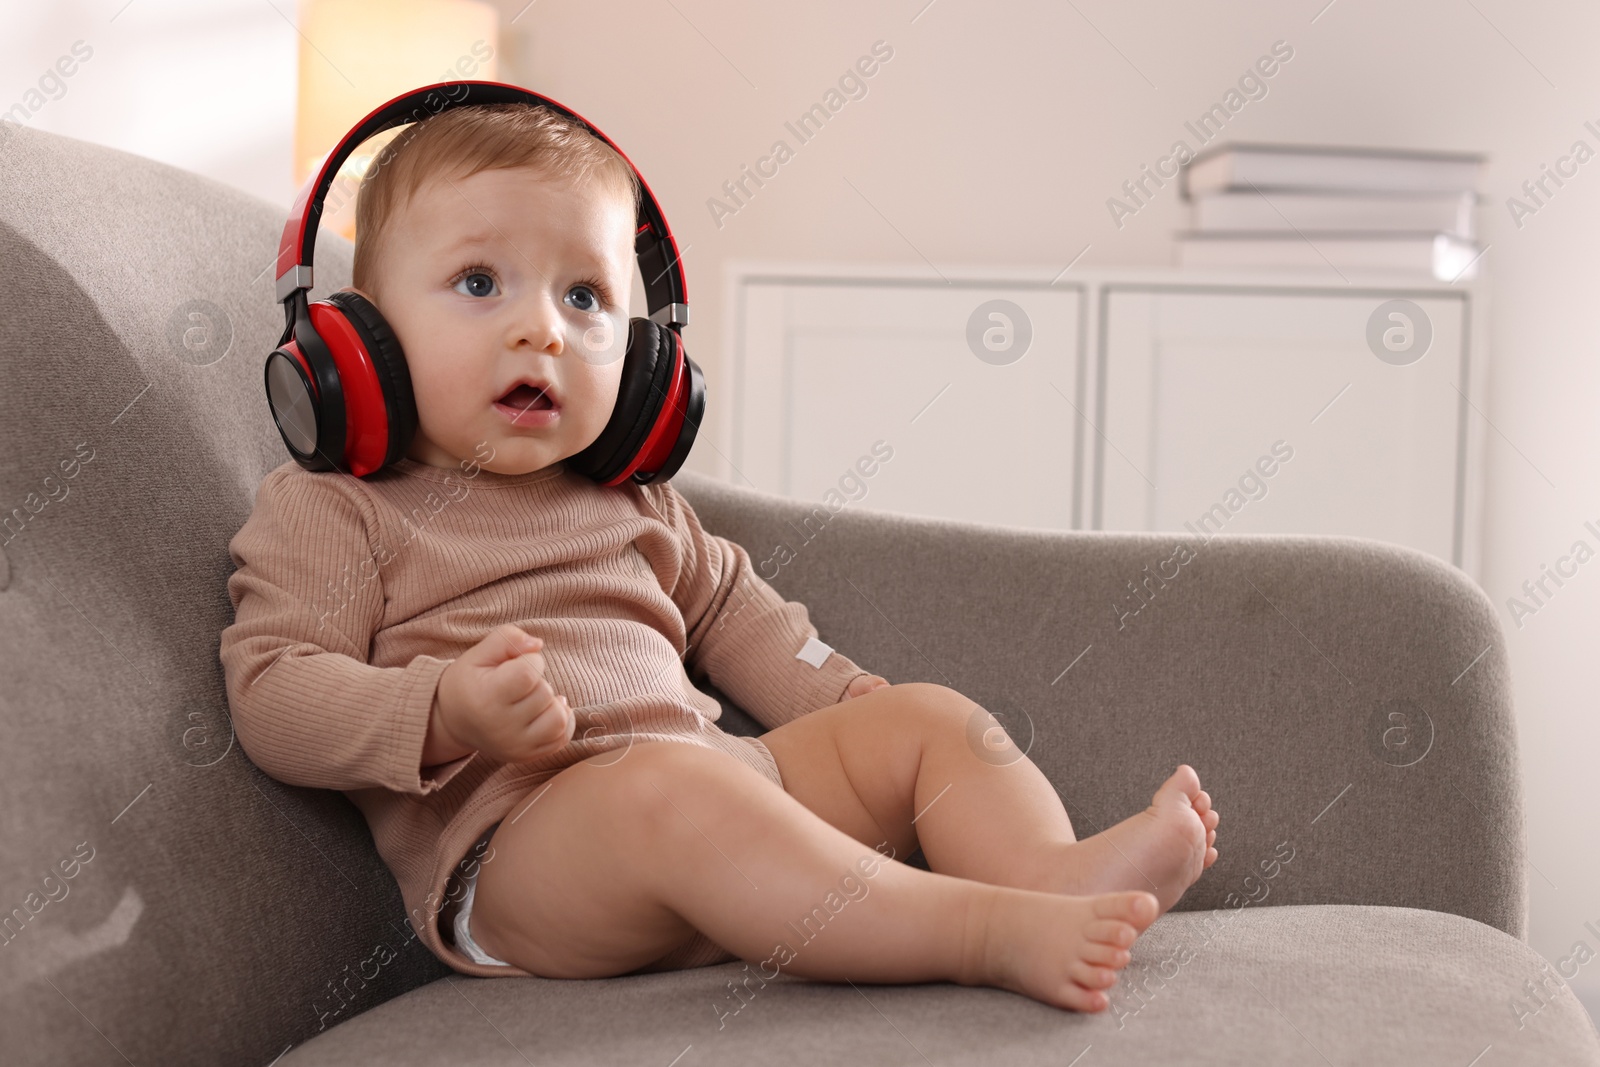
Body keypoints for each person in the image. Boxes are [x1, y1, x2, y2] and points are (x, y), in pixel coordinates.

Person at [218, 102, 1220, 1014]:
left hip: (727, 793)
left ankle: (1047, 875)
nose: (544, 331)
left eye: (585, 297)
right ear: (357, 342)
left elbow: (754, 626)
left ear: (650, 363)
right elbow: (271, 690)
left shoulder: (633, 501)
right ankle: (982, 930)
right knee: (669, 790)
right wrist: (443, 709)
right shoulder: (336, 510)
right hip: (530, 854)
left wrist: (858, 708)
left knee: (926, 717)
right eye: (480, 283)